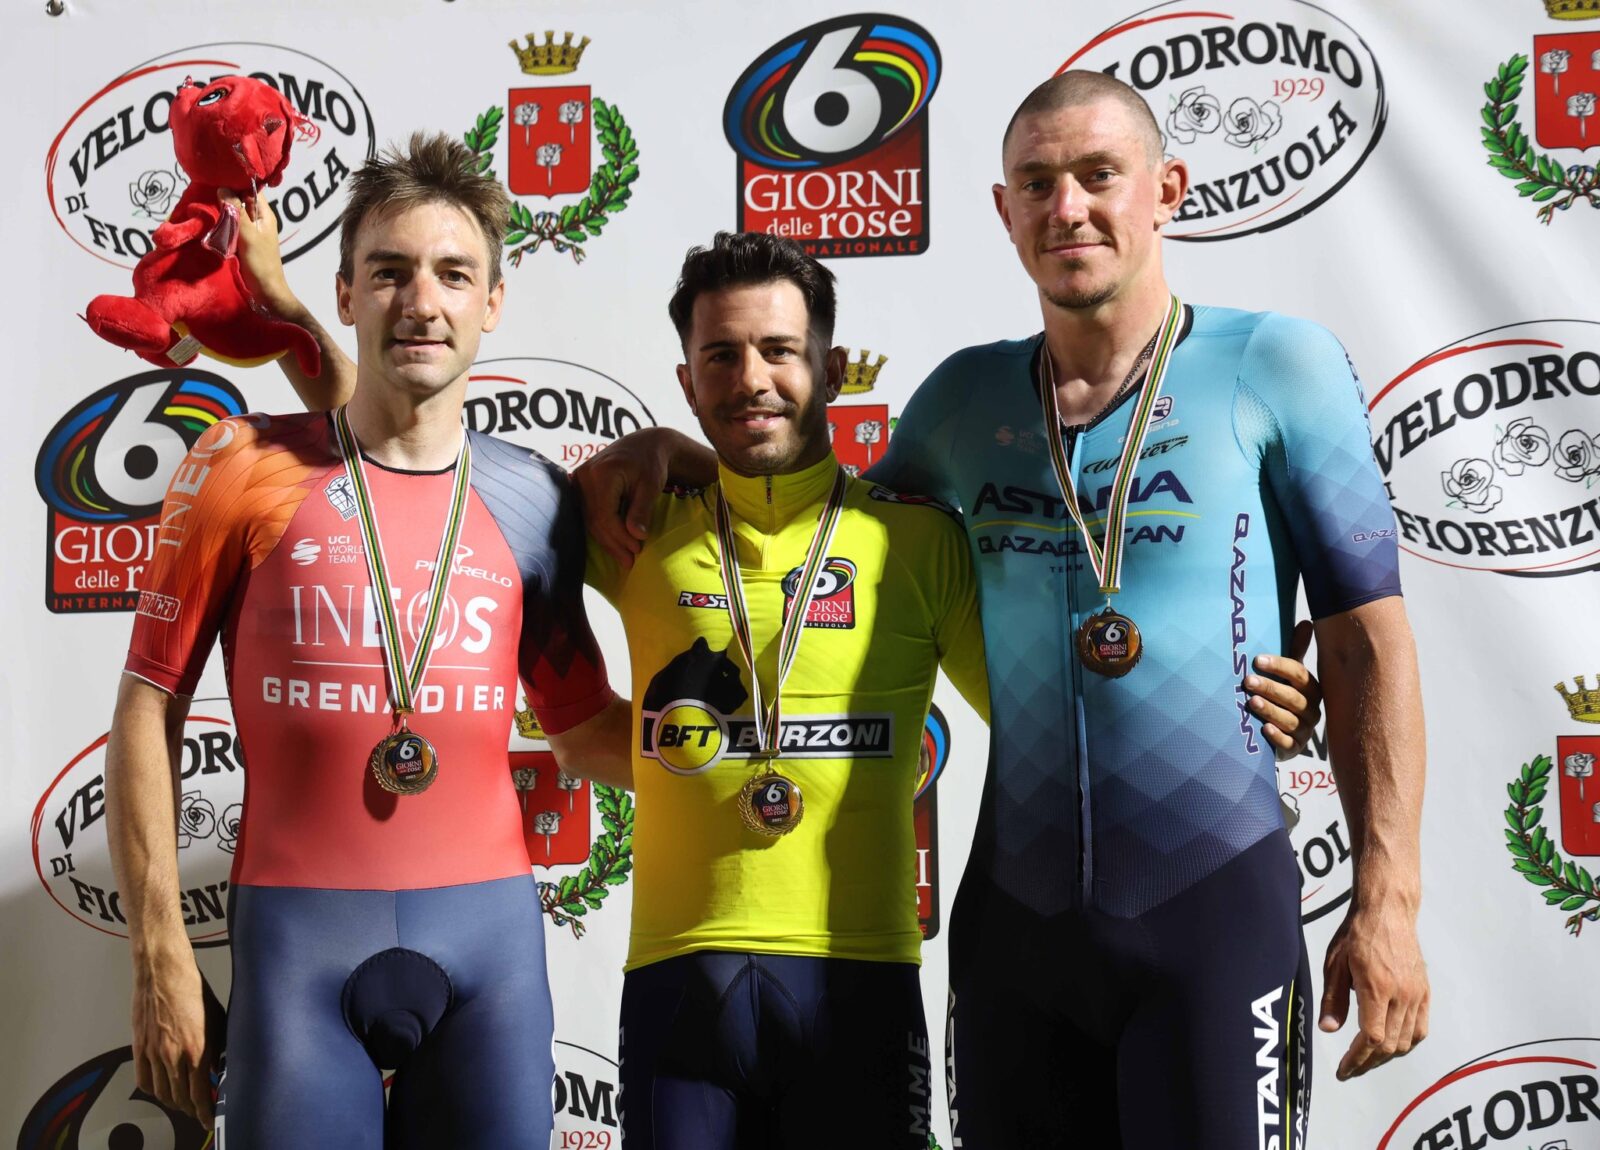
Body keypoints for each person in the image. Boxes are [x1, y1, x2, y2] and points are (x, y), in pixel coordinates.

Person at [242, 199, 1319, 1148]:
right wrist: (295, 325)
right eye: (720, 357)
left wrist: (1238, 708)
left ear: (833, 370)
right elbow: (412, 440)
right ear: (685, 379)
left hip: (860, 985)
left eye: (779, 351)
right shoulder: (630, 523)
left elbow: (1067, 723)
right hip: (678, 989)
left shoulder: (918, 544)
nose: (751, 380)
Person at [577, 71, 1427, 1148]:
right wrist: (679, 449)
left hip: (1210, 913)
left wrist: (1387, 898)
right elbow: (828, 525)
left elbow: (1368, 639)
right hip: (1017, 940)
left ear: (1166, 189)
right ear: (1003, 210)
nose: (1067, 206)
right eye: (1037, 182)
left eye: (1098, 176)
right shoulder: (962, 403)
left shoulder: (1278, 365)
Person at [105, 132, 629, 1149]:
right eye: (389, 272)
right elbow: (146, 701)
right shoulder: (242, 466)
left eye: (453, 274)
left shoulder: (533, 498)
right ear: (345, 293)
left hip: (490, 954)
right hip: (296, 949)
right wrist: (158, 952)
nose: (421, 302)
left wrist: (743, 751)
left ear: (492, 302)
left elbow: (582, 728)